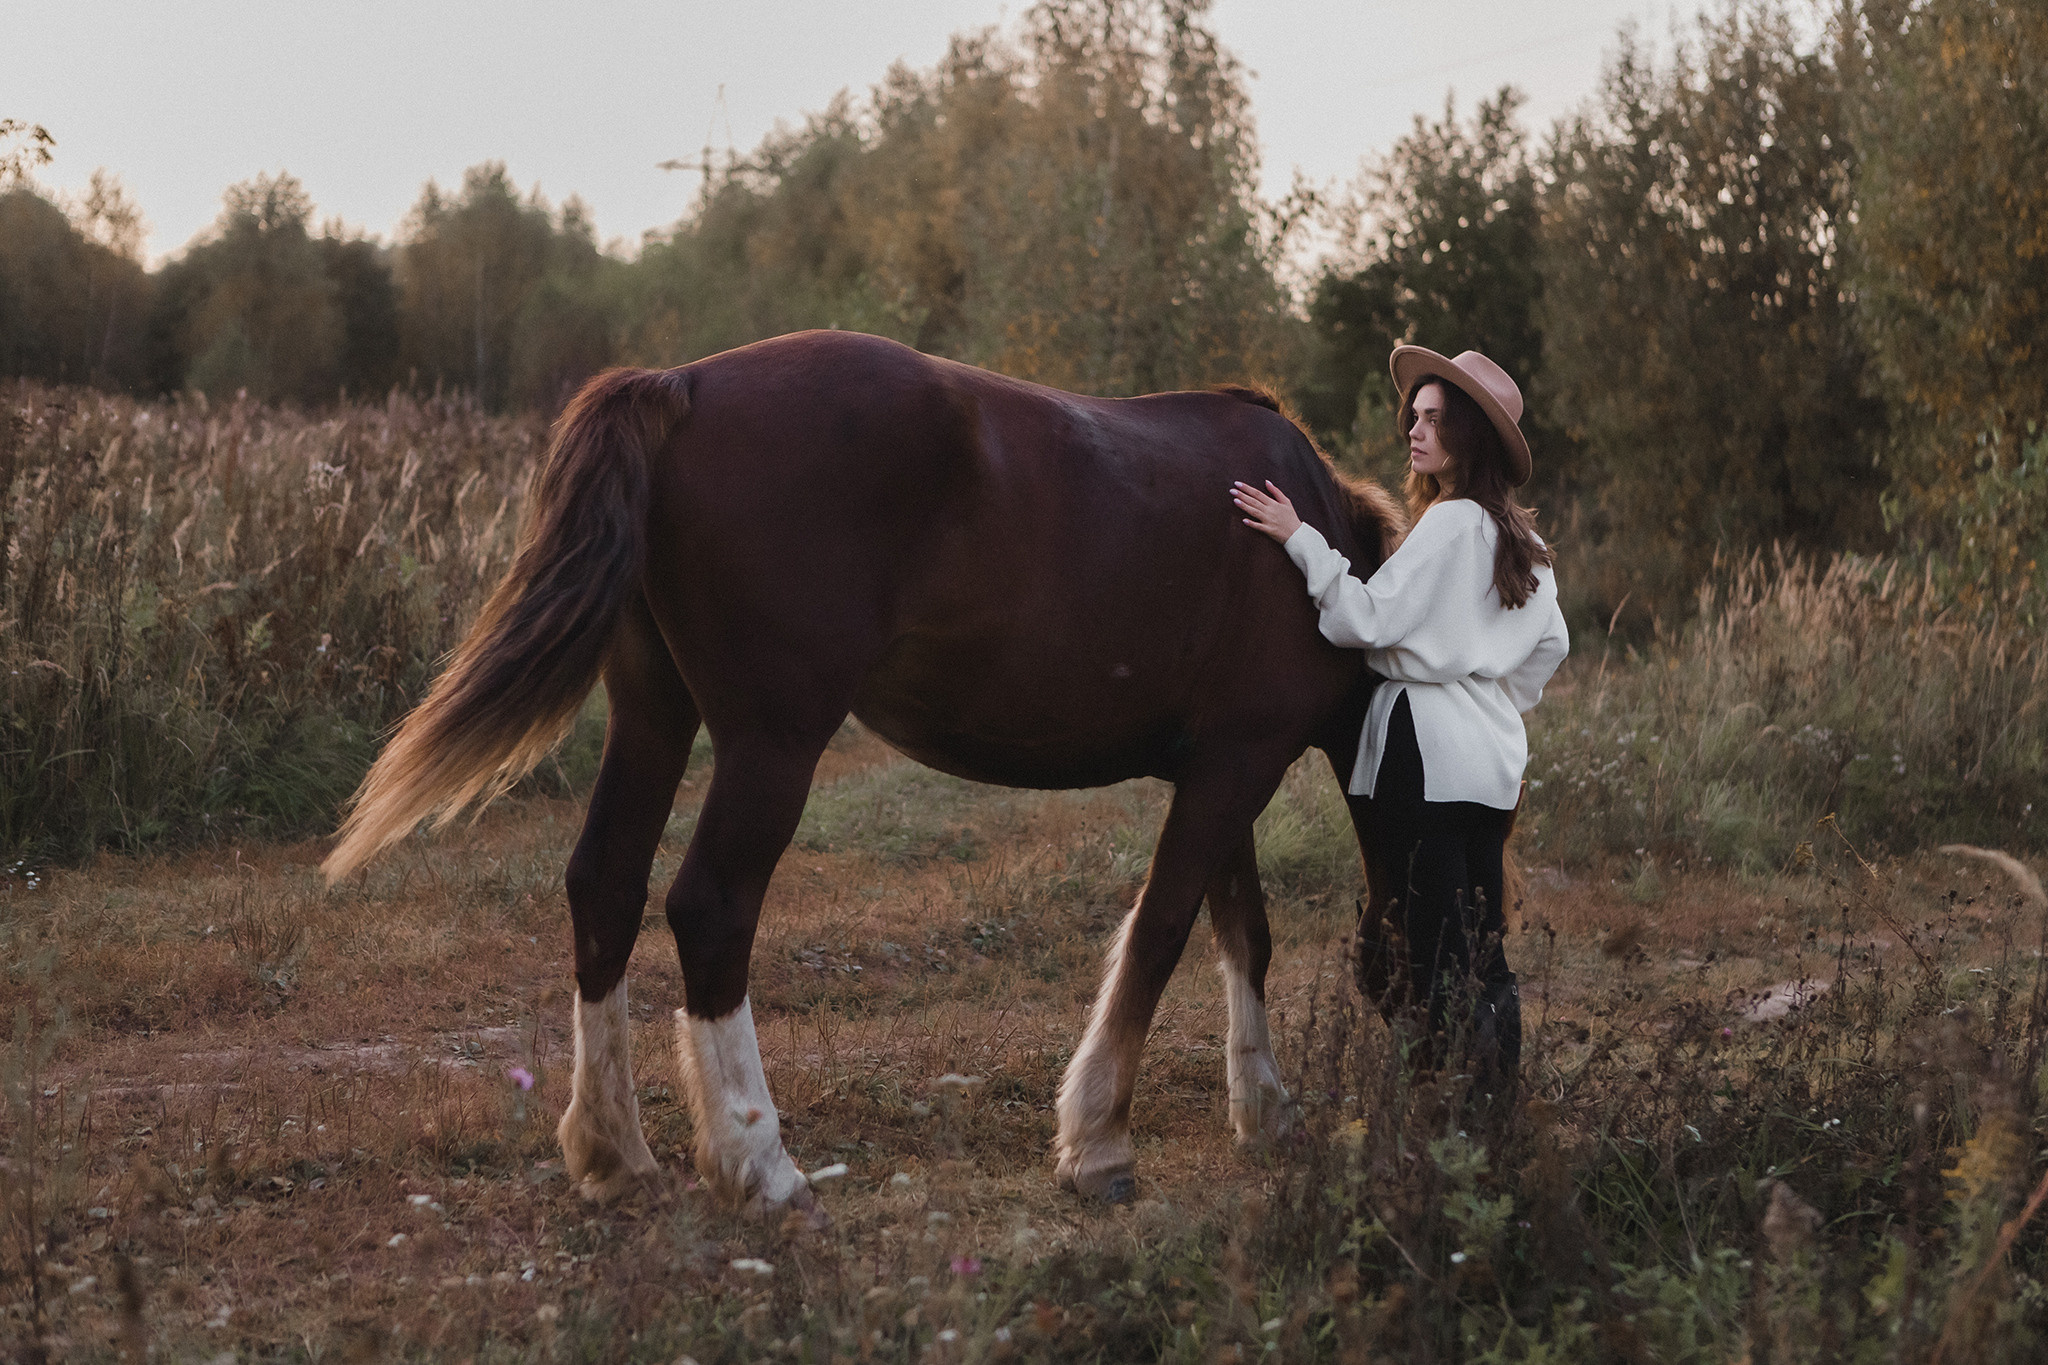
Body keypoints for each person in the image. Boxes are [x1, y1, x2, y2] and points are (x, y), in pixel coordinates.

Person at [1231, 346, 1567, 1083]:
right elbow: (1553, 644)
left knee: (1431, 950)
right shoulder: (1528, 544)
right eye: (1413, 415)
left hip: (1422, 759)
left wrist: (1300, 537)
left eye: (1434, 419)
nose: (1414, 431)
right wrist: (1490, 697)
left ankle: (1446, 1112)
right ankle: (1489, 1106)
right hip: (1492, 765)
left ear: (1469, 434)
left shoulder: (1449, 524)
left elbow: (1365, 622)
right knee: (1484, 950)